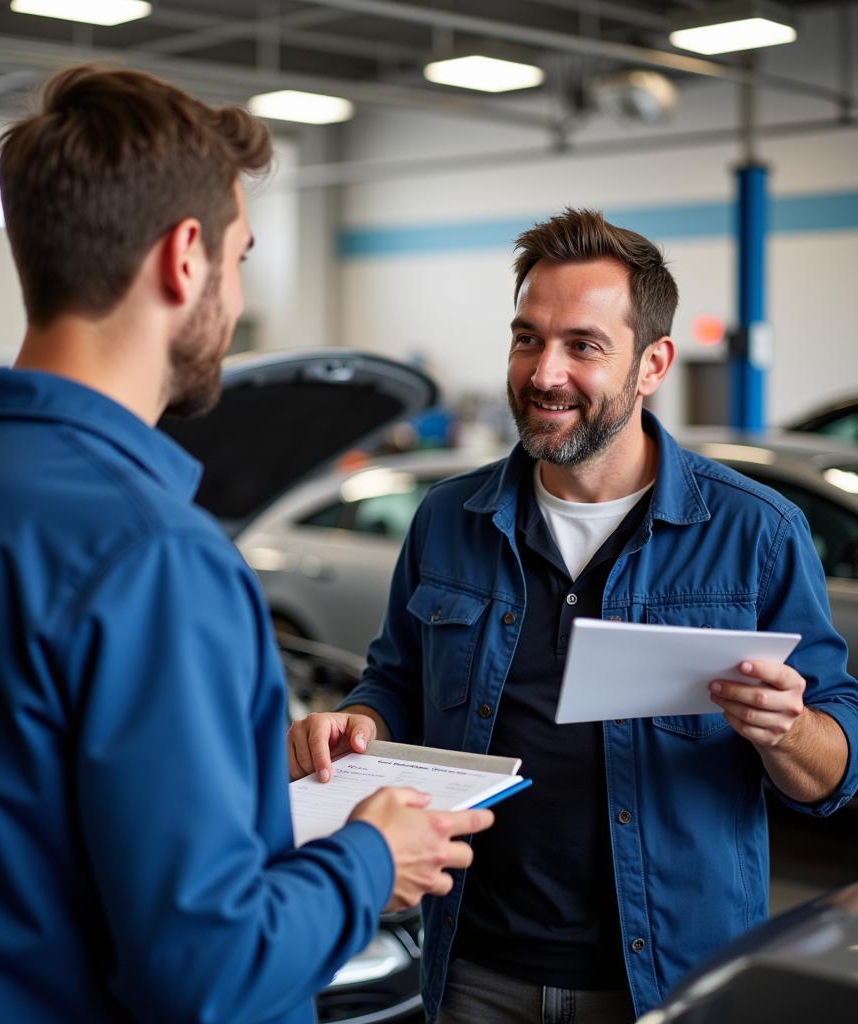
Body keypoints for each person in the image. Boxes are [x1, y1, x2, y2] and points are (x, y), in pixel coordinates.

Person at [0, 66, 494, 1024]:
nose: (234, 294)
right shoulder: (153, 552)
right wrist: (370, 862)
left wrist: (221, 766)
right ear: (187, 257)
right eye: (240, 257)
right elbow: (207, 973)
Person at [288, 208, 858, 1024]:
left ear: (652, 362)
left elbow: (837, 768)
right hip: (474, 965)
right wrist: (355, 724)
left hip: (670, 978)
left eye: (583, 346)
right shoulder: (449, 519)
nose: (544, 371)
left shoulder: (755, 532)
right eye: (527, 339)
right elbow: (396, 681)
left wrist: (787, 728)